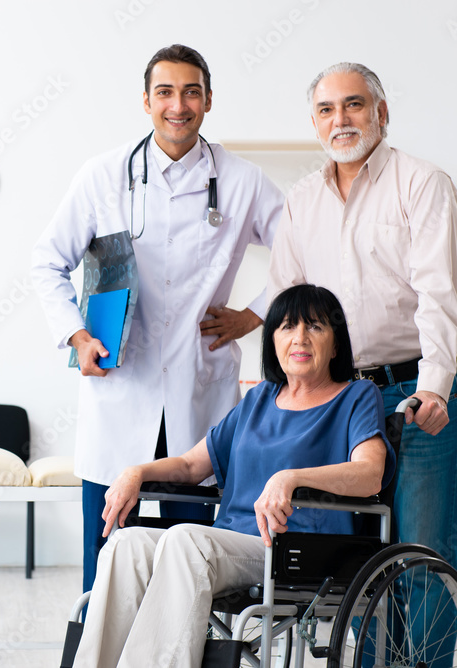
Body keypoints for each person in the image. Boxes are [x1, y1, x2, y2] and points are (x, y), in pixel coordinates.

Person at [31, 44, 284, 594]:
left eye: (191, 91)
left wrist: (253, 316)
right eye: (165, 92)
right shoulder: (103, 176)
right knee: (106, 573)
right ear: (145, 101)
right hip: (120, 396)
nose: (178, 105)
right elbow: (47, 260)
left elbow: (304, 253)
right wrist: (75, 335)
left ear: (209, 100)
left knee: (189, 571)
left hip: (198, 397)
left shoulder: (241, 181)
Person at [72, 284, 395, 668]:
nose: (300, 338)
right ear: (272, 340)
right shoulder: (259, 399)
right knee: (126, 545)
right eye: (287, 327)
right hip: (230, 544)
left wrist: (290, 478)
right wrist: (136, 472)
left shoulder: (355, 397)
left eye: (316, 327)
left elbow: (370, 474)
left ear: (336, 344)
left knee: (185, 540)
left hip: (296, 548)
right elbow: (192, 466)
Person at [267, 62, 457, 572]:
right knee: (354, 563)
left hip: (413, 393)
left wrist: (435, 387)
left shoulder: (422, 183)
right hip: (335, 401)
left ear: (381, 113)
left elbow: (438, 294)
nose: (340, 119)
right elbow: (286, 305)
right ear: (314, 123)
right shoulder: (301, 200)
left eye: (353, 104)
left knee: (422, 558)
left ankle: (420, 658)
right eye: (326, 109)